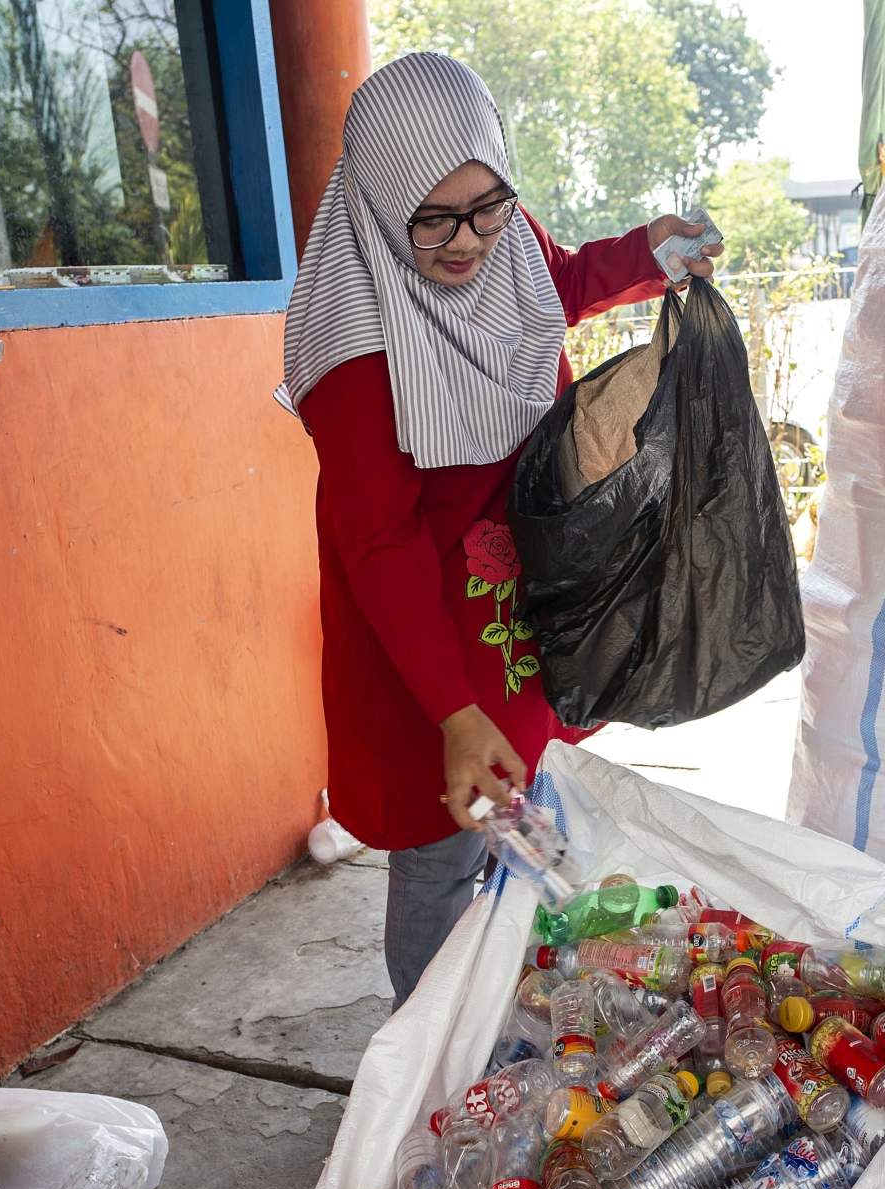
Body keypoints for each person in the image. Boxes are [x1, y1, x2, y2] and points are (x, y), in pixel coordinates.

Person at [275, 52, 718, 1009]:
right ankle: (426, 1041)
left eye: (488, 205)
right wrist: (452, 711)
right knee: (443, 848)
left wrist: (650, 254)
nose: (467, 241)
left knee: (529, 797)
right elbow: (382, 547)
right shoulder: (356, 350)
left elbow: (553, 278)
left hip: (515, 593)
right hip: (426, 634)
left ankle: (516, 990)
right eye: (432, 217)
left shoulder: (504, 241)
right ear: (381, 200)